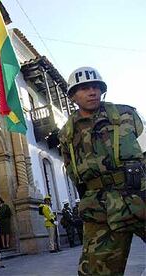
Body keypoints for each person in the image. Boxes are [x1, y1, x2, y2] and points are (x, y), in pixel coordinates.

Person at [58, 66, 145, 275]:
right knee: (94, 272)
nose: (92, 92)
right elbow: (72, 170)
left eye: (96, 87)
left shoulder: (127, 114)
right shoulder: (67, 133)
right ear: (72, 96)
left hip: (139, 196)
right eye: (85, 88)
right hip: (100, 209)